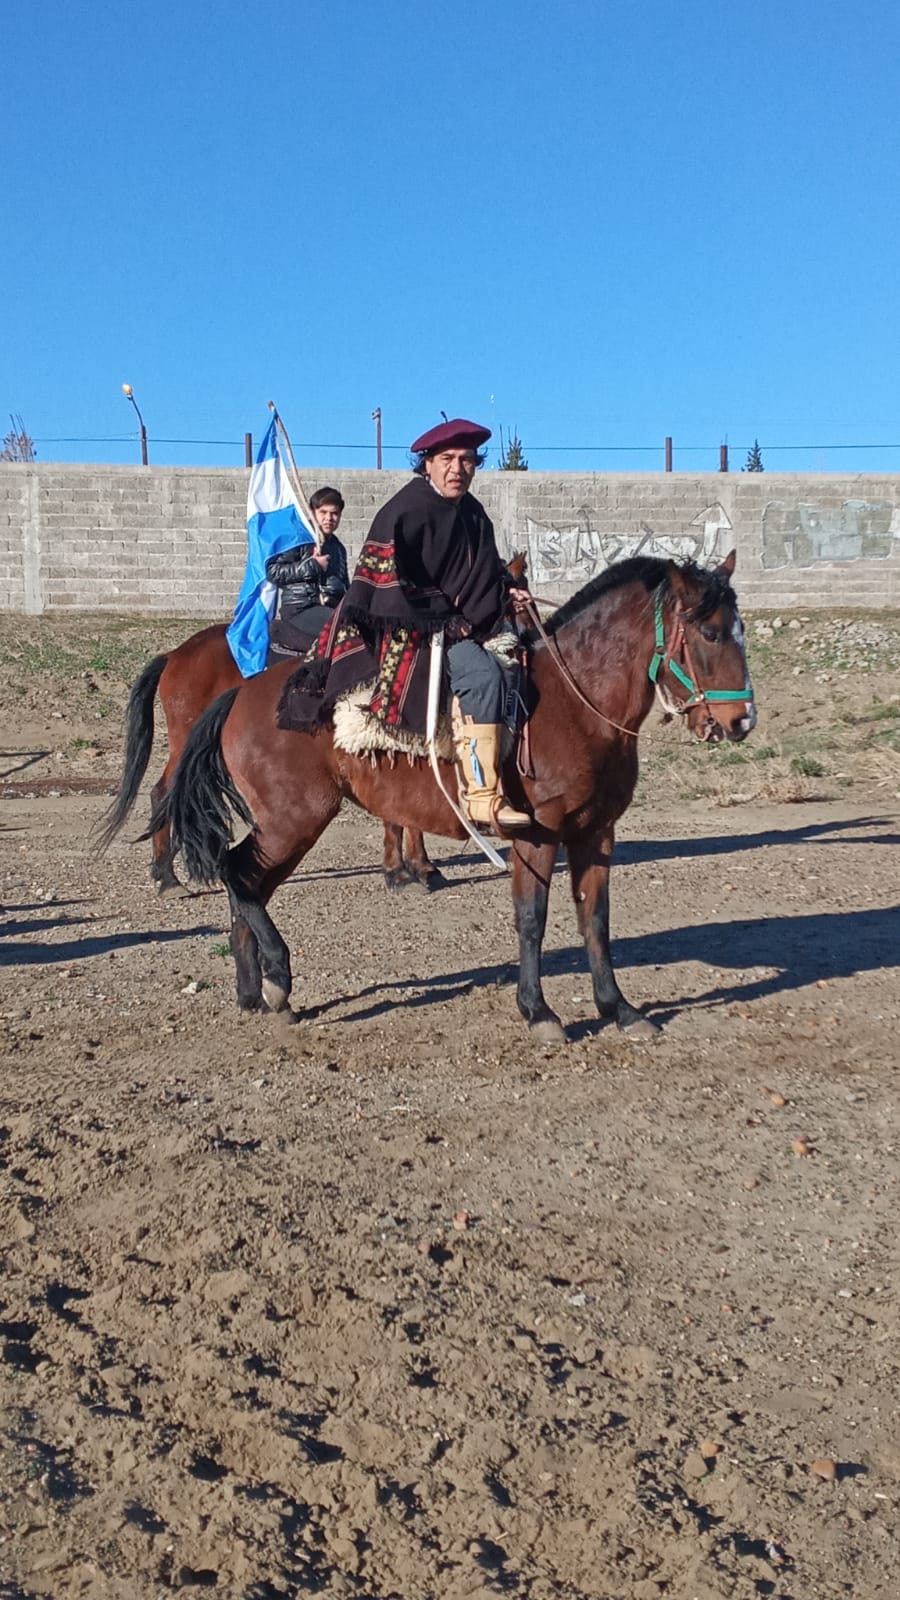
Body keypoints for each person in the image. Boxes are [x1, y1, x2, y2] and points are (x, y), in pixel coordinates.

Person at [279, 419, 531, 830]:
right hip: (412, 626)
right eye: (447, 459)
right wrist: (445, 620)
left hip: (462, 623)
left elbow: (482, 572)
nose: (457, 469)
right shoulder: (404, 510)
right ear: (427, 464)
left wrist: (506, 593)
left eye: (467, 460)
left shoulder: (473, 512)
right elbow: (388, 581)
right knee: (484, 676)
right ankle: (482, 796)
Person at [265, 486, 349, 639]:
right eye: (323, 512)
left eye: (334, 513)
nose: (329, 518)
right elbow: (273, 572)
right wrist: (313, 565)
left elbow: (345, 586)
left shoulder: (338, 548)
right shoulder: (298, 538)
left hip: (330, 608)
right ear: (312, 512)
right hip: (300, 608)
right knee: (344, 628)